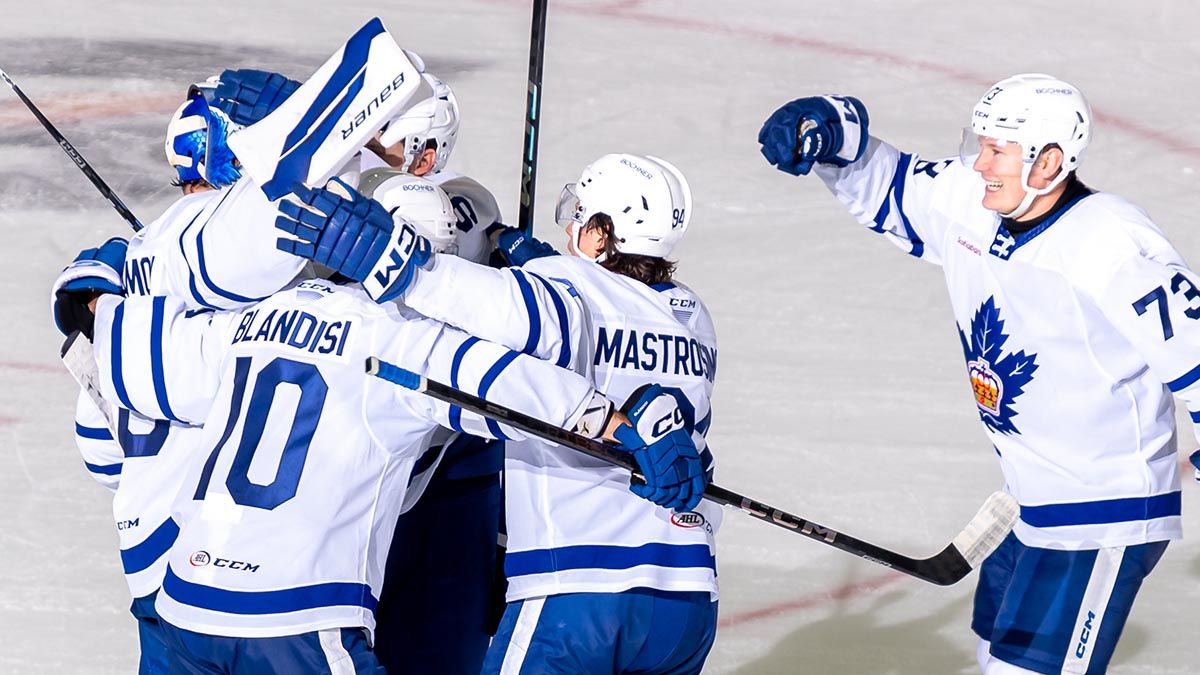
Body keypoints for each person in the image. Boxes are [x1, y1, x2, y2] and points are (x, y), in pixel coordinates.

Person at [53, 203, 704, 673]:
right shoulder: (399, 341)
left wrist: (101, 289)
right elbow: (513, 387)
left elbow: (113, 355)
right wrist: (623, 432)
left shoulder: (248, 320)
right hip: (296, 625)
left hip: (184, 615)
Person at [758, 73, 1193, 674]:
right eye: (979, 143)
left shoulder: (1110, 242)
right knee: (993, 650)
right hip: (1029, 499)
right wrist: (829, 129)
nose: (978, 163)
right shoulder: (974, 203)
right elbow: (892, 184)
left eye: (997, 151)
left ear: (1049, 163)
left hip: (1100, 513)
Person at [278, 152, 721, 674]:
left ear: (602, 236)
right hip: (688, 598)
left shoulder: (564, 290)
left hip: (580, 592)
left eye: (581, 215)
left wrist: (384, 254)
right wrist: (536, 269)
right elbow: (621, 318)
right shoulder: (694, 317)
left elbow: (481, 303)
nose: (571, 226)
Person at [213, 64, 517, 672]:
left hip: (442, 486)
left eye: (381, 136)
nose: (364, 145)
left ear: (427, 151)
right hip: (349, 477)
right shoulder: (361, 190)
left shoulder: (457, 208)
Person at [54, 91, 260, 674]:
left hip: (148, 560)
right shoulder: (260, 268)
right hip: (236, 565)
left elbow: (99, 454)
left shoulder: (129, 276)